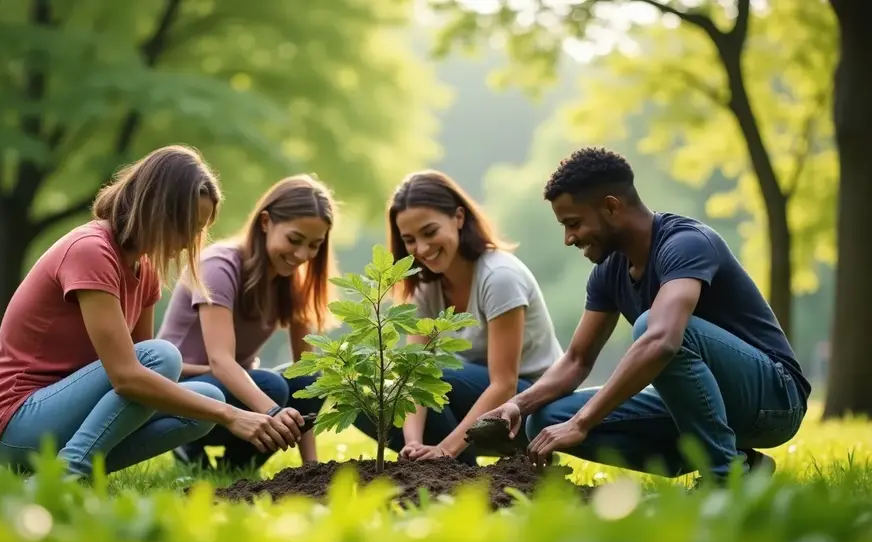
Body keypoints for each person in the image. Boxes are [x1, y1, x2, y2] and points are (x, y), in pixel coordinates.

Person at [480, 147, 809, 482]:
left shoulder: (686, 244)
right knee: (545, 419)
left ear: (611, 206)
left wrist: (582, 422)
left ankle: (724, 477)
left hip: (774, 401)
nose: (569, 239)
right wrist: (518, 406)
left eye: (574, 223)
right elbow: (577, 360)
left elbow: (663, 340)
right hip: (695, 402)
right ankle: (741, 465)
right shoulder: (609, 271)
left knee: (652, 326)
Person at [0, 145, 295, 480]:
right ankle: (69, 475)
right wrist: (232, 415)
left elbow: (146, 384)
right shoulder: (91, 250)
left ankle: (59, 469)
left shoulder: (145, 271)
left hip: (66, 421)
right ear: (156, 209)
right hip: (17, 424)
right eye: (187, 227)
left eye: (199, 230)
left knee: (204, 401)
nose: (190, 242)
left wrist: (219, 408)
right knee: (164, 359)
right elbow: (130, 373)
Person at [353, 170, 564, 466]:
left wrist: (446, 449)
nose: (422, 249)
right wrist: (411, 439)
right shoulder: (426, 286)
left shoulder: (500, 277)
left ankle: (455, 465)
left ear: (459, 218)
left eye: (430, 232)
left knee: (437, 372)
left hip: (529, 405)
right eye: (410, 240)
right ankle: (446, 469)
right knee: (368, 403)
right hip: (477, 402)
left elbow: (504, 384)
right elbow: (413, 373)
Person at [159, 174, 337, 472]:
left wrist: (313, 467)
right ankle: (187, 445)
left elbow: (307, 367)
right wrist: (274, 411)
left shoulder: (289, 281)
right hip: (181, 393)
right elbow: (220, 361)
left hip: (233, 387)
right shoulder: (219, 266)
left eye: (314, 245)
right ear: (266, 222)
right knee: (271, 385)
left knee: (312, 379)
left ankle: (235, 467)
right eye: (294, 240)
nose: (302, 255)